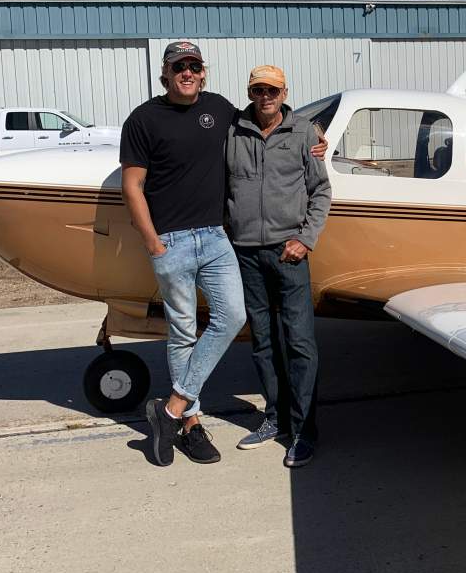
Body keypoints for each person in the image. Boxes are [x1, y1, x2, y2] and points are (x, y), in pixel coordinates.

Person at [121, 43, 325, 467]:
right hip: (193, 244)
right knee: (196, 334)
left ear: (203, 73)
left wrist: (316, 133)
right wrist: (153, 243)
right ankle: (194, 422)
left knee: (252, 325)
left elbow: (304, 162)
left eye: (194, 66)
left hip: (234, 242)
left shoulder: (229, 112)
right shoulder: (152, 119)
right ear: (166, 73)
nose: (187, 72)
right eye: (179, 66)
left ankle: (175, 408)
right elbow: (132, 185)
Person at [226, 65, 331, 468]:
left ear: (284, 93)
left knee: (300, 341)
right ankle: (276, 417)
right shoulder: (232, 132)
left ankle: (305, 429)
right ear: (250, 93)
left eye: (272, 90)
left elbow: (320, 190)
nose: (265, 96)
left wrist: (305, 239)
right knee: (262, 341)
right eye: (258, 90)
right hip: (246, 253)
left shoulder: (303, 132)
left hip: (289, 254)